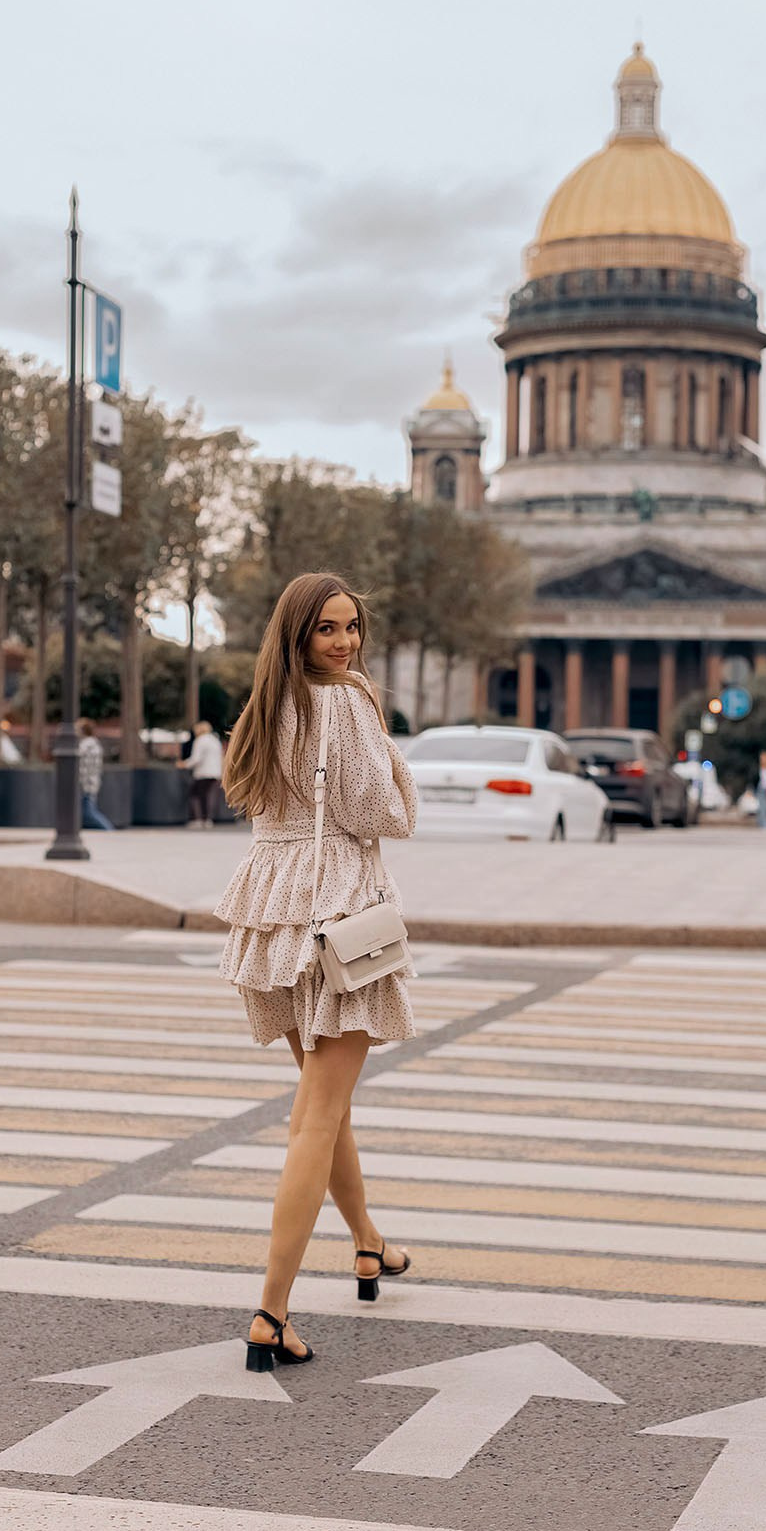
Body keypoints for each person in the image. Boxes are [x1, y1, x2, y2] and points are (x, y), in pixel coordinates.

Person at [217, 572, 418, 1370]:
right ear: (299, 634)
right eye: (327, 629)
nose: (344, 642)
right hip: (340, 917)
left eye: (351, 627)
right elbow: (383, 813)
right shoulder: (347, 703)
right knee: (315, 1117)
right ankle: (271, 1310)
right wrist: (390, 752)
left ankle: (368, 1243)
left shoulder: (266, 706)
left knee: (322, 1107)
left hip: (274, 914)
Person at [77, 717, 113, 830]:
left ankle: (110, 830)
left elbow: (82, 766)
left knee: (90, 812)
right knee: (86, 812)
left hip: (86, 784)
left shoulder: (85, 746)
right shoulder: (95, 744)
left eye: (77, 729)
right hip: (92, 782)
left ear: (83, 731)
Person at [187, 720, 224, 827]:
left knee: (196, 795)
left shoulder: (200, 740)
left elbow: (196, 759)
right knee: (209, 796)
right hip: (215, 773)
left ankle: (198, 819)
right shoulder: (215, 740)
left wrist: (185, 764)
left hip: (203, 773)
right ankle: (208, 819)